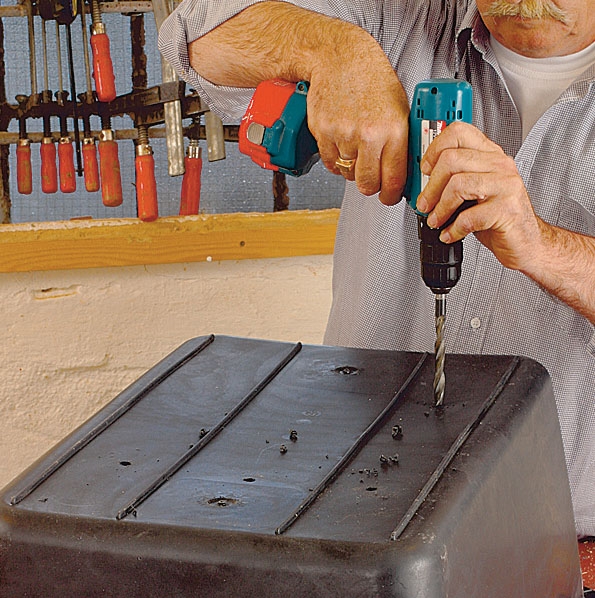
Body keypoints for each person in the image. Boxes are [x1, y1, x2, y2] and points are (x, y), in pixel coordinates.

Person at [159, 0, 595, 537]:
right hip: (365, 511)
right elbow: (195, 32)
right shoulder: (400, 16)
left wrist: (541, 245)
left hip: (567, 536)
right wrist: (334, 50)